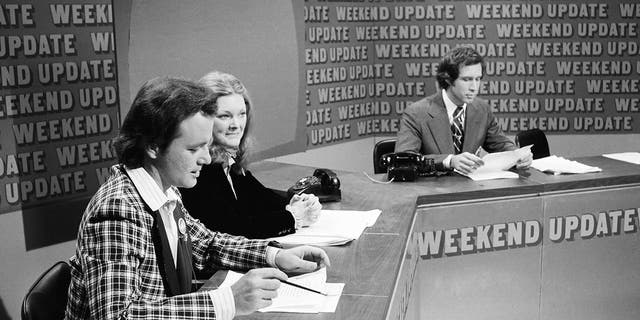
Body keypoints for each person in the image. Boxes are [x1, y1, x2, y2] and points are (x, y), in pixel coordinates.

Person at [64, 77, 330, 320]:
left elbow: (207, 245)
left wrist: (274, 256)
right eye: (193, 149)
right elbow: (118, 316)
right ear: (153, 145)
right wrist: (227, 301)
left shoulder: (165, 191)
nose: (205, 158)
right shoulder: (118, 210)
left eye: (205, 145)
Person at [181, 71, 321, 239]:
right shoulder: (201, 168)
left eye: (241, 114)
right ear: (204, 119)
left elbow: (259, 198)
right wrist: (293, 217)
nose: (236, 125)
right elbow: (232, 228)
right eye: (225, 116)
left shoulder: (227, 159)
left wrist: (300, 203)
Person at [395, 46, 532, 174]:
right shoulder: (416, 114)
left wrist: (518, 155)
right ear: (448, 79)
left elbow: (501, 144)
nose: (474, 87)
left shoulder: (482, 109)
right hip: (432, 190)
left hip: (470, 191)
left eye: (477, 79)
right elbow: (404, 161)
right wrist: (449, 161)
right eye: (467, 79)